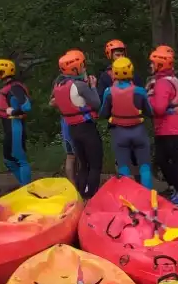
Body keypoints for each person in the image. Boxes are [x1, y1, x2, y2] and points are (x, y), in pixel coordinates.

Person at [53, 50, 103, 198]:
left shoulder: (59, 86)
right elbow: (97, 103)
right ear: (75, 69)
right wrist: (93, 86)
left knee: (83, 166)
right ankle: (90, 196)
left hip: (73, 130)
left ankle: (81, 195)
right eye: (82, 65)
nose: (84, 67)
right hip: (86, 128)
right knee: (95, 165)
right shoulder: (80, 86)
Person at [100, 56, 153, 188]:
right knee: (144, 166)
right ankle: (148, 199)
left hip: (119, 133)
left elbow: (103, 114)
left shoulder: (108, 92)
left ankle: (127, 198)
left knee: (123, 168)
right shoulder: (140, 91)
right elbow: (150, 112)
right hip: (139, 132)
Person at [147, 47, 178, 204]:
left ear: (159, 65)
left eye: (152, 63)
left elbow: (158, 108)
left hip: (169, 129)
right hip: (176, 127)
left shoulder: (162, 83)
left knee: (166, 160)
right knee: (171, 160)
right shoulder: (173, 79)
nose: (150, 66)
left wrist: (148, 99)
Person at [0, 58, 33, 186]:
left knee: (20, 159)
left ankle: (26, 189)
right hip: (9, 127)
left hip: (16, 126)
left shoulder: (15, 88)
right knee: (8, 159)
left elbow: (27, 107)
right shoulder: (9, 87)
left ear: (3, 72)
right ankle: (24, 186)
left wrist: (12, 112)